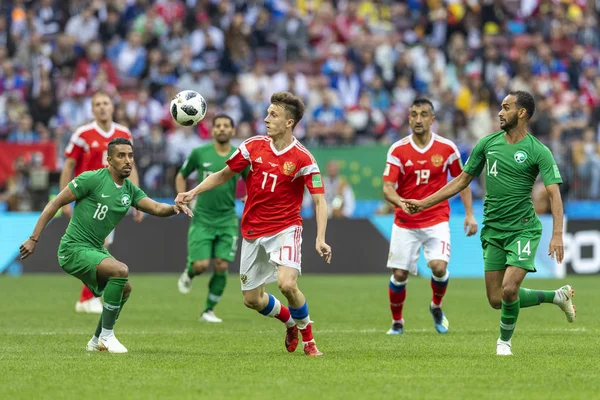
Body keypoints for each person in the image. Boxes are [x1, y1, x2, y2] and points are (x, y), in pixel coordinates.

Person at [403, 91, 576, 356]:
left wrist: (557, 234)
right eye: (500, 107)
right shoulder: (487, 143)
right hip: (493, 229)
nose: (499, 112)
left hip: (523, 229)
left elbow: (554, 193)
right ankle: (556, 296)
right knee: (497, 299)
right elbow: (461, 181)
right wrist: (424, 202)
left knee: (509, 289)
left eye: (506, 108)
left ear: (522, 113)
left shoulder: (538, 150)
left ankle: (504, 343)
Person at [175, 92, 332, 356]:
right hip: (252, 231)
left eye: (273, 115)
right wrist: (193, 192)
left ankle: (309, 339)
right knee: (252, 300)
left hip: (286, 229)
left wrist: (320, 238)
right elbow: (224, 174)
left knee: (287, 284)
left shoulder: (304, 159)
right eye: (267, 113)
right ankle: (290, 321)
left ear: (289, 122)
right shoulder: (252, 146)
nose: (266, 119)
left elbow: (320, 201)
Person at [19, 138, 192, 353]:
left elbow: (156, 208)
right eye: (121, 156)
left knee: (125, 289)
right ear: (109, 160)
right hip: (73, 248)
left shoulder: (129, 190)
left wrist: (175, 207)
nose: (127, 160)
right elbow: (55, 203)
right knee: (121, 271)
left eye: (130, 156)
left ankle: (95, 340)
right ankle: (107, 336)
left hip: (95, 250)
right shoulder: (91, 179)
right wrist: (33, 238)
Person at [382, 98, 479, 335]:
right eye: (413, 114)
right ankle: (397, 322)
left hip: (436, 218)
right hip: (405, 221)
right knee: (399, 274)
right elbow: (387, 187)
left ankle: (436, 306)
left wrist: (469, 214)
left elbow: (462, 182)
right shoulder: (398, 149)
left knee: (438, 267)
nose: (418, 119)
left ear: (432, 120)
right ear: (408, 118)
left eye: (423, 114)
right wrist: (401, 203)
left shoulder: (447, 148)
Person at [60, 90, 144, 314]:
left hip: (113, 197)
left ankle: (87, 298)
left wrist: (137, 200)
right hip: (88, 196)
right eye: (97, 104)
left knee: (101, 245)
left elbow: (130, 167)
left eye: (106, 103)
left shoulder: (123, 132)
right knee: (101, 244)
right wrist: (63, 201)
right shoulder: (83, 134)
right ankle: (89, 297)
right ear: (92, 109)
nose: (102, 107)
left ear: (112, 107)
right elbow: (68, 166)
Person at [176, 114, 248, 323]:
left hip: (227, 219)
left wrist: (249, 194)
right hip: (203, 218)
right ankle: (189, 273)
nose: (222, 129)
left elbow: (250, 180)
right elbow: (181, 175)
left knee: (222, 265)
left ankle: (208, 310)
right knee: (200, 265)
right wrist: (183, 200)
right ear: (213, 130)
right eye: (218, 126)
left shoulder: (239, 156)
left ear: (233, 130)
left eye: (227, 125)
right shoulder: (200, 152)